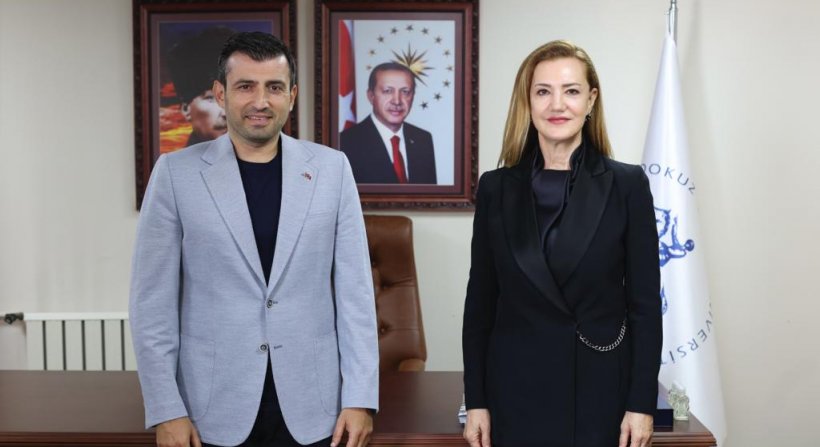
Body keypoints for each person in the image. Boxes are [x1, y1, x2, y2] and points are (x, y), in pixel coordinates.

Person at [130, 32, 379, 447]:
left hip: (315, 407)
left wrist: (360, 398)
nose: (260, 101)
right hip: (210, 409)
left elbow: (356, 295)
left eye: (274, 87)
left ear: (292, 96)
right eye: (245, 86)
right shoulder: (175, 174)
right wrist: (166, 408)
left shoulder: (332, 170)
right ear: (220, 93)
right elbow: (152, 305)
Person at [461, 40, 662, 447]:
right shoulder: (496, 188)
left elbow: (644, 306)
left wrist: (641, 404)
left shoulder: (626, 185)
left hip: (598, 395)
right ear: (528, 101)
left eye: (571, 91)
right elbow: (480, 305)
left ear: (591, 100)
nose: (557, 104)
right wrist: (476, 400)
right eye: (543, 91)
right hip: (515, 395)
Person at [339, 62, 437, 184]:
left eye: (405, 92)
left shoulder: (423, 139)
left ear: (413, 96)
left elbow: (429, 194)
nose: (397, 101)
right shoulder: (346, 142)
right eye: (387, 91)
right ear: (371, 96)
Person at [166, 27, 233, 147]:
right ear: (186, 109)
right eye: (211, 99)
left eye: (232, 97)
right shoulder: (175, 160)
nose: (225, 113)